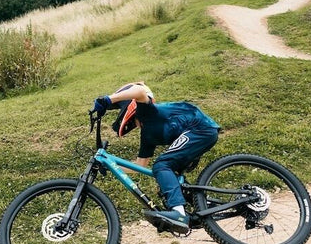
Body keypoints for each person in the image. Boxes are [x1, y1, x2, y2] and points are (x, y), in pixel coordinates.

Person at [91, 82, 220, 234]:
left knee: (161, 165)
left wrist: (108, 99)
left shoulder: (148, 111)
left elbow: (139, 90)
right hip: (195, 134)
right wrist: (111, 166)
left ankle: (179, 212)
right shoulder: (147, 135)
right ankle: (205, 205)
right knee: (166, 176)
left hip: (200, 129)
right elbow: (140, 166)